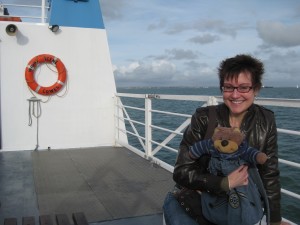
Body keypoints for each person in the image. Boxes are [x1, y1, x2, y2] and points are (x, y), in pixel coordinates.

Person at [163, 54, 291, 225]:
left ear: (256, 89)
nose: (235, 94)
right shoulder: (204, 118)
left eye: (244, 87)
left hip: (240, 205)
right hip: (193, 203)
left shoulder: (265, 120)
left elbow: (270, 174)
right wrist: (223, 183)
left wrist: (274, 220)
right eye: (229, 87)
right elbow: (181, 172)